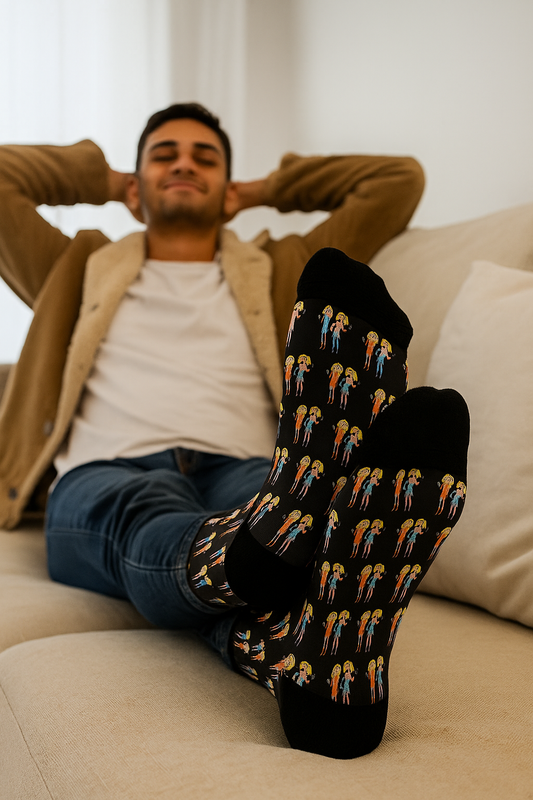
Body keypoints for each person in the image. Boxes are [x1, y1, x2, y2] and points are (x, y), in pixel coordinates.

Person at [0, 103, 469, 759]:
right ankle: (275, 571)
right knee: (149, 510)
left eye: (205, 158)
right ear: (134, 187)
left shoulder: (280, 266)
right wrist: (106, 179)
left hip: (262, 475)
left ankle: (289, 634)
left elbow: (396, 181)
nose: (184, 164)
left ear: (228, 189)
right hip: (110, 470)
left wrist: (261, 189)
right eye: (163, 156)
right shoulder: (74, 265)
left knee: (278, 514)